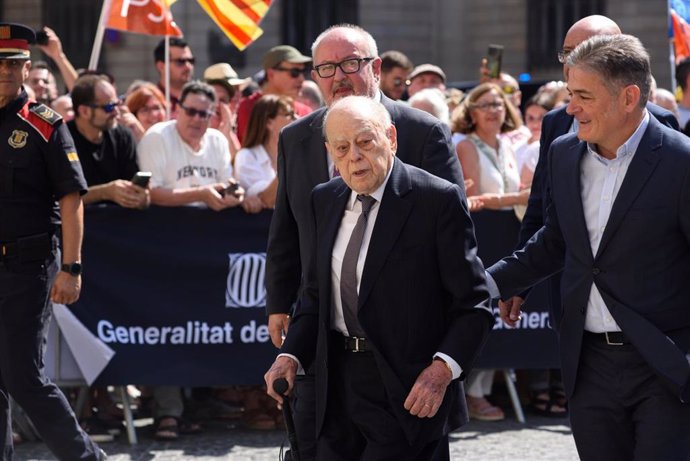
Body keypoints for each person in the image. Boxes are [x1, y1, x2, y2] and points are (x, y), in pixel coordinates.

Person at [265, 23, 464, 460]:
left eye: (351, 64)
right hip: (326, 348)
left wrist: (440, 364)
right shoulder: (297, 138)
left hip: (404, 360)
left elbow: (455, 252)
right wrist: (280, 301)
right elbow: (287, 227)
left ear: (375, 68)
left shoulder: (421, 131)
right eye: (327, 68)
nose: (339, 76)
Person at [489, 34, 690, 461]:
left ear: (629, 97)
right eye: (569, 95)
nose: (570, 109)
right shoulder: (564, 154)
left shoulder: (681, 162)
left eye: (583, 96)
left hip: (664, 366)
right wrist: (489, 283)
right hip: (587, 366)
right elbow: (556, 242)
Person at [0, 22, 105, 460]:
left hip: (30, 263)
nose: (5, 71)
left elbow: (71, 198)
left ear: (27, 68)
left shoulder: (45, 124)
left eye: (14, 63)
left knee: (23, 375)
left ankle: (86, 458)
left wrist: (72, 267)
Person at [454, 83, 526, 421]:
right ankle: (470, 393)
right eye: (484, 105)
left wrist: (514, 198)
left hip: (507, 239)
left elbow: (509, 194)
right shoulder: (466, 145)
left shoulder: (508, 146)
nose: (493, 110)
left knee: (501, 317)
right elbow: (474, 200)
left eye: (498, 103)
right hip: (481, 241)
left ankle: (484, 389)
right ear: (471, 113)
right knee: (480, 312)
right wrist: (521, 197)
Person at [137, 80, 243, 210]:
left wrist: (234, 193)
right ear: (178, 109)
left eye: (203, 114)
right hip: (167, 224)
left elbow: (226, 183)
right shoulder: (157, 137)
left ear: (211, 116)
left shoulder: (218, 141)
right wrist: (200, 195)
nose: (197, 119)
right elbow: (151, 193)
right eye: (191, 112)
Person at [69, 74, 149, 209]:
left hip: (120, 222)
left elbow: (136, 188)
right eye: (109, 107)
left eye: (118, 103)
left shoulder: (123, 136)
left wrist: (142, 197)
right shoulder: (61, 140)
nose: (116, 112)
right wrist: (104, 192)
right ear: (84, 111)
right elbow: (61, 198)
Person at [236, 45, 312, 142]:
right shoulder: (248, 107)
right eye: (294, 72)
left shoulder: (306, 112)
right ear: (271, 74)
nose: (301, 79)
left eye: (303, 72)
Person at [234, 95, 294, 213]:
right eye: (288, 114)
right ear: (269, 123)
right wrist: (294, 162)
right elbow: (266, 200)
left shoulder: (289, 155)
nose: (295, 118)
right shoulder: (246, 156)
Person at [153, 37, 194, 116]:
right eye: (181, 61)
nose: (188, 67)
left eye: (191, 61)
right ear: (161, 66)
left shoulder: (200, 100)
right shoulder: (149, 100)